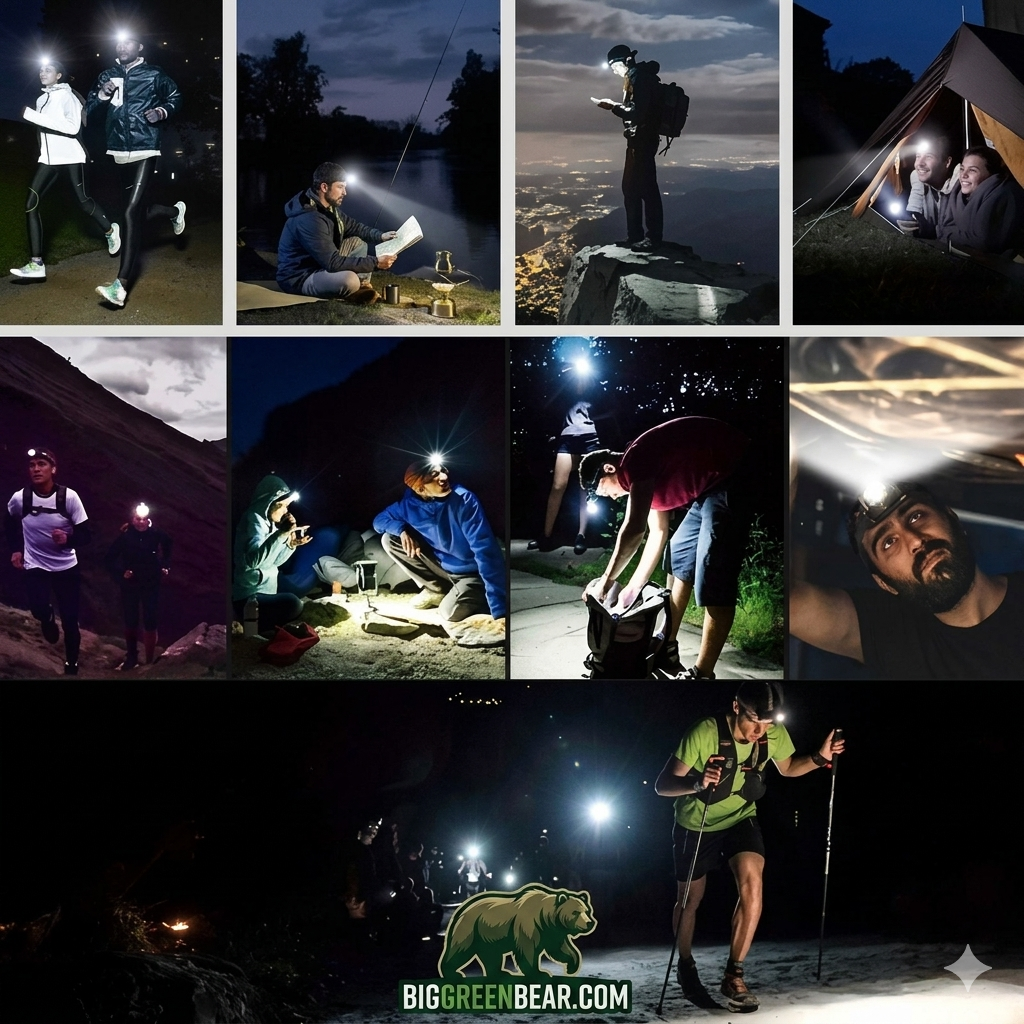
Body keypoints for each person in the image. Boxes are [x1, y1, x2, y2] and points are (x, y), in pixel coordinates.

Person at [655, 682, 844, 1012]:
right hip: (696, 823)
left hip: (741, 817)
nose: (761, 730)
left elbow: (788, 768)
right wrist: (697, 783)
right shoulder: (705, 732)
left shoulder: (772, 732)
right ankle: (686, 966)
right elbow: (663, 785)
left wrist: (820, 757)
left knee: (753, 884)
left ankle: (734, 974)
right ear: (737, 707)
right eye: (755, 720)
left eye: (768, 723)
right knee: (689, 900)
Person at [790, 479, 1024, 679]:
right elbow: (789, 603)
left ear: (952, 519)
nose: (914, 540)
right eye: (889, 542)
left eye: (916, 517)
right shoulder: (895, 638)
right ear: (884, 583)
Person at [578, 416, 754, 680]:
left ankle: (702, 673)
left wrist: (606, 582)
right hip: (707, 488)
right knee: (678, 554)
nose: (609, 498)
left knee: (712, 569)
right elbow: (657, 533)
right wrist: (632, 590)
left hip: (732, 475)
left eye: (601, 491)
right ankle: (666, 646)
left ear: (608, 468)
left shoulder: (635, 461)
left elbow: (633, 529)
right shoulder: (637, 474)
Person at [86, 29, 185, 308]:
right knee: (137, 210)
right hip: (117, 150)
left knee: (129, 211)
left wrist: (161, 112)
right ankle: (174, 211)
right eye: (118, 41)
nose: (121, 46)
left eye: (128, 41)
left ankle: (121, 285)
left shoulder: (154, 74)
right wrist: (103, 95)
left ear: (140, 46)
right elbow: (90, 112)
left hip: (145, 147)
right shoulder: (107, 75)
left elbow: (176, 97)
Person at [10, 57, 119, 281]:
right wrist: (41, 149)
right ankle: (36, 263)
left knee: (82, 200)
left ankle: (110, 230)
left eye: (48, 69)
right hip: (49, 159)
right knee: (31, 204)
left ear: (59, 75)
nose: (43, 72)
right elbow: (44, 131)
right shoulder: (41, 99)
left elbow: (72, 127)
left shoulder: (68, 96)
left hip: (71, 156)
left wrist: (33, 116)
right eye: (41, 69)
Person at [373, 459, 507, 625]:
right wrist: (402, 530)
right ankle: (436, 590)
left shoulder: (464, 500)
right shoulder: (408, 505)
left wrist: (500, 606)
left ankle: (476, 594)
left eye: (443, 471)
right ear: (420, 488)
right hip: (444, 567)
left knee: (449, 613)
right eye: (434, 475)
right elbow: (378, 521)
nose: (443, 477)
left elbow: (485, 550)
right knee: (390, 539)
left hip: (472, 572)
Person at [3, 448, 90, 675]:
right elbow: (10, 522)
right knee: (38, 608)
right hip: (36, 563)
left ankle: (71, 665)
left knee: (71, 621)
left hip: (66, 567)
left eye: (41, 464)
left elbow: (86, 535)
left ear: (53, 469)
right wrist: (16, 550)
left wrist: (67, 539)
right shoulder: (20, 499)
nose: (36, 469)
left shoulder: (69, 498)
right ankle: (47, 617)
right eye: (32, 465)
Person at [276, 162, 400, 303]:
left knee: (358, 243)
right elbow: (332, 262)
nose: (345, 193)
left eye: (345, 187)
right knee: (350, 280)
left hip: (319, 264)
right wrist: (376, 262)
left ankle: (362, 287)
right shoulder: (309, 218)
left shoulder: (328, 208)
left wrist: (381, 236)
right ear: (324, 187)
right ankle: (355, 288)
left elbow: (355, 227)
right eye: (340, 187)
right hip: (299, 277)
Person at [591, 44, 664, 251]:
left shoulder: (639, 78)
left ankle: (652, 238)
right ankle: (635, 236)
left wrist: (613, 107)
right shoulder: (635, 78)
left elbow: (638, 113)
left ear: (626, 60)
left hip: (643, 139)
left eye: (615, 65)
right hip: (638, 139)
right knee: (631, 188)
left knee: (646, 188)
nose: (614, 70)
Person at [529, 375, 603, 554]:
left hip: (589, 439)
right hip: (566, 440)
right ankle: (546, 535)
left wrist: (597, 419)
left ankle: (581, 535)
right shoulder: (565, 393)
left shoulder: (596, 394)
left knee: (584, 488)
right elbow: (546, 406)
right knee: (558, 486)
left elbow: (613, 411)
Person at [232, 476, 312, 633]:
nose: (286, 511)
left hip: (264, 593)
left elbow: (273, 561)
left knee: (293, 601)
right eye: (283, 506)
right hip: (249, 598)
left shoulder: (270, 524)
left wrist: (290, 544)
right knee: (293, 603)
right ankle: (256, 626)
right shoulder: (253, 520)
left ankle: (264, 627)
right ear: (270, 503)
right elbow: (253, 560)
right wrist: (282, 534)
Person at [917, 145, 1024, 255]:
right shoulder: (957, 193)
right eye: (962, 169)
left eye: (972, 170)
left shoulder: (1003, 194)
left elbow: (982, 243)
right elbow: (944, 226)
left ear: (990, 175)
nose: (963, 175)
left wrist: (947, 233)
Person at [104, 502, 172, 670]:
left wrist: (165, 566)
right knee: (131, 620)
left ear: (148, 519)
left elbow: (168, 545)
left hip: (151, 582)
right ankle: (131, 657)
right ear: (133, 519)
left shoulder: (156, 534)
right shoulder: (126, 536)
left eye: (144, 519)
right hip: (131, 584)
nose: (141, 522)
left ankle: (149, 660)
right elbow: (109, 558)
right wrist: (122, 573)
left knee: (150, 619)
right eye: (138, 519)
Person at [900, 135, 958, 231]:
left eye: (928, 157)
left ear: (947, 162)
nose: (920, 163)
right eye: (918, 156)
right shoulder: (917, 177)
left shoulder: (961, 185)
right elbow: (914, 211)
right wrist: (911, 217)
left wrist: (932, 231)